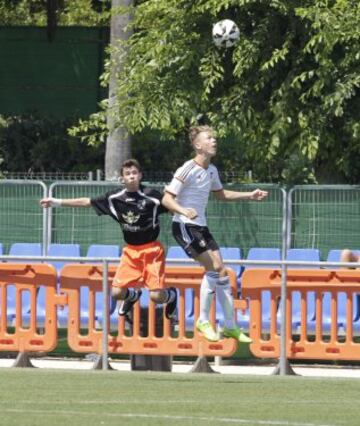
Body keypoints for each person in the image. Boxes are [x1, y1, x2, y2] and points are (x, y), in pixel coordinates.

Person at [162, 125, 268, 342]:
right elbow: (166, 199)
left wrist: (250, 195)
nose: (214, 141)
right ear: (198, 145)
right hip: (183, 224)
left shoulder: (212, 170)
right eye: (209, 138)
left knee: (221, 269)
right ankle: (202, 320)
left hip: (201, 226)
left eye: (214, 138)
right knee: (212, 267)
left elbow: (221, 195)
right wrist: (183, 210)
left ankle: (230, 325)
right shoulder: (186, 168)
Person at [40, 159, 177, 321]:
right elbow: (86, 202)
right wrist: (57, 202)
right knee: (117, 293)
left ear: (140, 175)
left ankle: (171, 295)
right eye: (127, 174)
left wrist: (175, 195)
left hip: (152, 251)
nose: (131, 176)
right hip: (131, 252)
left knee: (156, 297)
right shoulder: (114, 198)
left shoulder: (152, 196)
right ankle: (133, 296)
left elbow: (172, 208)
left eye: (134, 173)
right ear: (122, 178)